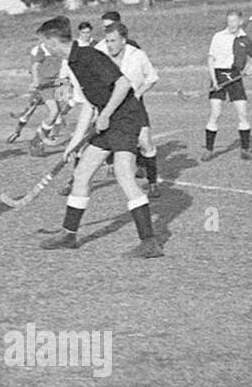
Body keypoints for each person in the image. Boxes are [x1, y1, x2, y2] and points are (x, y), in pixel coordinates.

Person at [36, 17, 163, 258]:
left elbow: (124, 84)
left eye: (44, 43)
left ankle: (149, 242)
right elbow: (87, 106)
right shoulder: (72, 63)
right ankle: (69, 234)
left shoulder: (88, 56)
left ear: (53, 42)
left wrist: (105, 114)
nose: (44, 48)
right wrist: (74, 143)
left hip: (125, 119)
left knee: (124, 174)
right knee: (82, 173)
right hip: (107, 121)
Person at [97, 23, 160, 196]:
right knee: (103, 142)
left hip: (133, 105)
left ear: (123, 40)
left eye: (113, 40)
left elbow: (152, 78)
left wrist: (139, 93)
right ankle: (76, 181)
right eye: (107, 40)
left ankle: (153, 182)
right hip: (109, 106)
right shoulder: (100, 54)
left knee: (145, 141)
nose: (110, 45)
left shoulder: (137, 55)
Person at [203, 10, 252, 161]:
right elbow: (210, 59)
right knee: (216, 113)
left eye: (234, 21)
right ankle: (209, 149)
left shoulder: (245, 39)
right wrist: (214, 81)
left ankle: (245, 150)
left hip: (235, 76)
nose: (231, 24)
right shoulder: (218, 36)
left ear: (240, 21)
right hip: (219, 76)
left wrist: (249, 67)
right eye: (229, 21)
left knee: (243, 113)